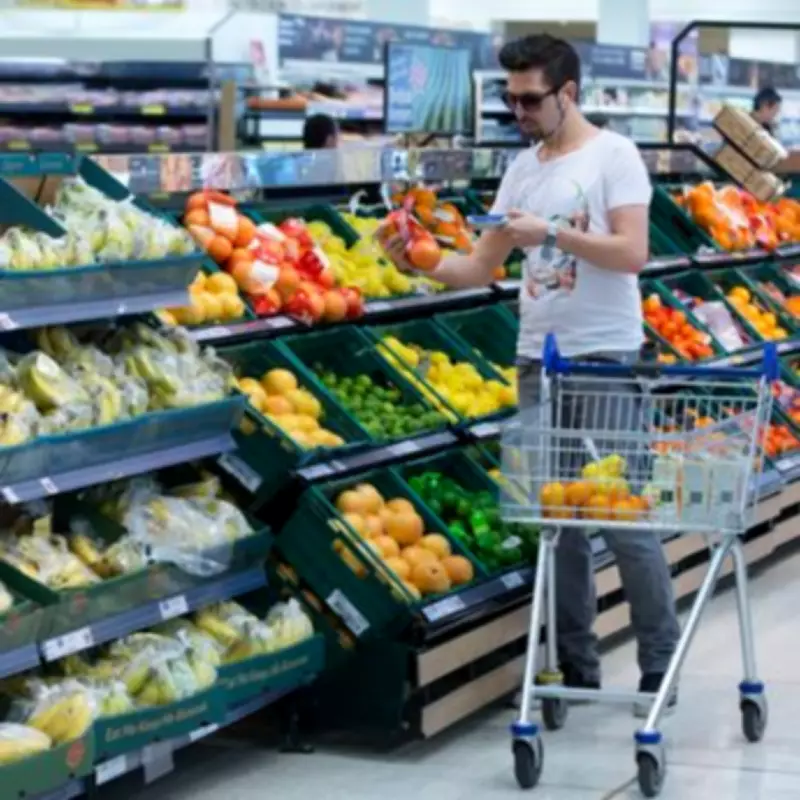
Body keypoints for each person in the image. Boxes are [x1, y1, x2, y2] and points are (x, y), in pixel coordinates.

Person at [378, 33, 680, 713]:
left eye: (530, 98)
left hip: (604, 360)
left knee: (626, 522)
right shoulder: (521, 169)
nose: (518, 110)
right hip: (535, 361)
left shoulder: (615, 157)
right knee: (559, 523)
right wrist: (415, 261)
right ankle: (577, 668)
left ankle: (661, 662)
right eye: (509, 98)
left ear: (568, 92)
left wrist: (553, 235)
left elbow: (632, 252)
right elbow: (479, 268)